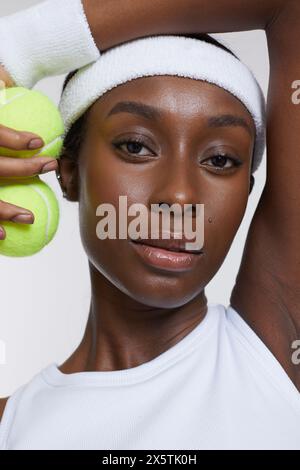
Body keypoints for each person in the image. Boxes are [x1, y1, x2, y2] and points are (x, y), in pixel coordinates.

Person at [0, 0, 299, 451]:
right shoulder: (10, 427)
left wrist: (19, 48)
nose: (179, 196)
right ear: (67, 171)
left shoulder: (277, 350)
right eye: (136, 147)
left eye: (220, 159)